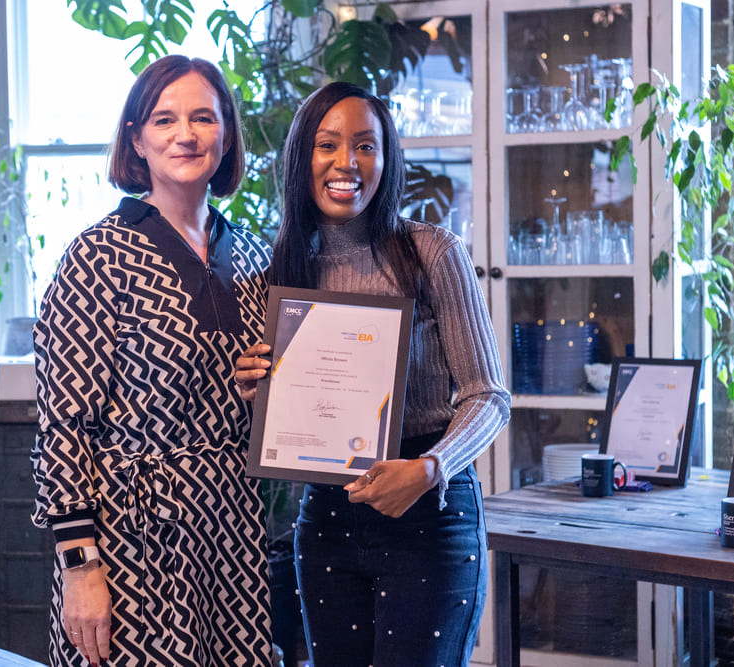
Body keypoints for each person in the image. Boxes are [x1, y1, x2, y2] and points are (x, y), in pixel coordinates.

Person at [235, 81, 511, 666]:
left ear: (387, 159)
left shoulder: (431, 251)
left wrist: (430, 468)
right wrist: (257, 391)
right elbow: (289, 418)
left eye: (365, 145)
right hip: (328, 522)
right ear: (301, 159)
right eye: (327, 145)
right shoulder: (281, 264)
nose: (346, 163)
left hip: (430, 513)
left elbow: (489, 398)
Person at [31, 54, 273, 667]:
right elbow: (63, 426)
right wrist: (80, 569)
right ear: (136, 139)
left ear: (226, 135)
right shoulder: (96, 257)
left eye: (203, 118)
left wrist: (266, 390)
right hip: (129, 538)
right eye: (164, 120)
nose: (185, 135)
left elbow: (269, 393)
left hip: (231, 529)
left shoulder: (249, 254)